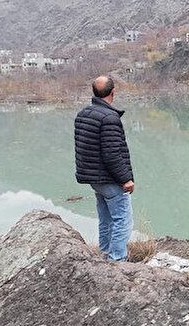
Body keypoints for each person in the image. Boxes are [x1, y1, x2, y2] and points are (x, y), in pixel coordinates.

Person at [74, 76, 135, 262]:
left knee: (106, 219)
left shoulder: (83, 114)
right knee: (122, 221)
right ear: (113, 92)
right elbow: (111, 154)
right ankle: (117, 260)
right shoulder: (109, 118)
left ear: (94, 92)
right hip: (110, 179)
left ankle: (105, 255)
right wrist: (126, 179)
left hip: (95, 178)